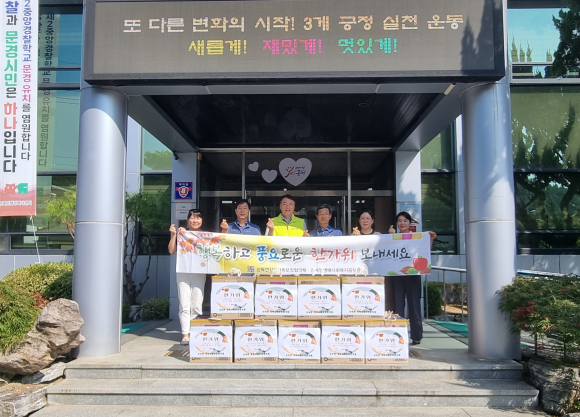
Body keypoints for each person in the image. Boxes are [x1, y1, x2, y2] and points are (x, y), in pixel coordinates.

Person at [389, 211, 437, 345]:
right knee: (398, 304)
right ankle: (398, 335)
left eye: (405, 221)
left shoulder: (417, 237)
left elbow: (425, 253)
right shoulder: (392, 237)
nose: (402, 223)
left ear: (410, 223)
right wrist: (390, 236)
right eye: (399, 221)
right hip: (397, 275)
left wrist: (430, 240)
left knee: (414, 305)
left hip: (413, 275)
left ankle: (416, 336)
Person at [168, 209, 207, 345]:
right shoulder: (182, 233)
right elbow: (171, 250)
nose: (195, 221)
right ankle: (185, 334)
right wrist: (174, 235)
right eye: (192, 218)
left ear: (202, 220)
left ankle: (195, 332)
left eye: (198, 218)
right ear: (188, 219)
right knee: (184, 304)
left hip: (199, 273)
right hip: (183, 272)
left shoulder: (205, 235)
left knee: (196, 304)